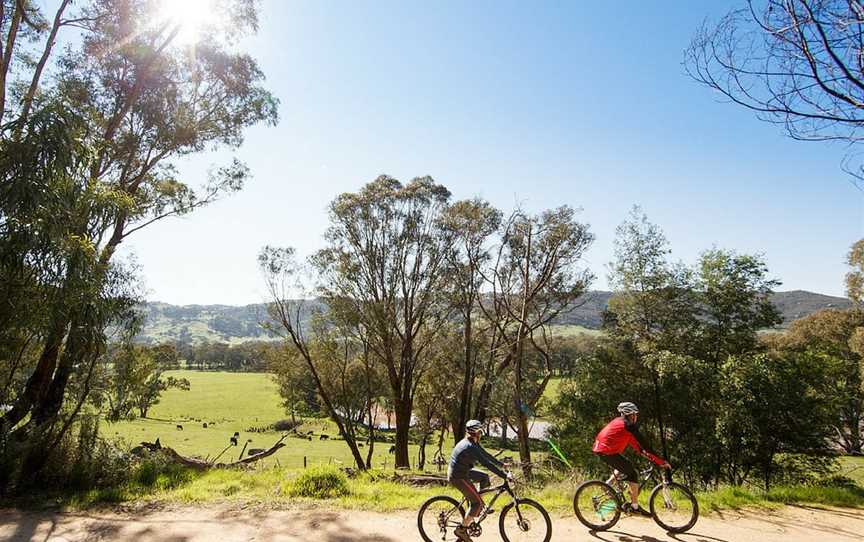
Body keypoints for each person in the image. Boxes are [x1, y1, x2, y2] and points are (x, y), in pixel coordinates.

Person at [592, 401, 671, 517]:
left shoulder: (622, 424)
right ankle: (634, 507)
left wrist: (652, 458)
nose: (635, 417)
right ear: (627, 415)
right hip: (606, 451)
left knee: (626, 466)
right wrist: (661, 461)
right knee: (633, 474)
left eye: (636, 414)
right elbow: (645, 446)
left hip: (604, 449)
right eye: (633, 415)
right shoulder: (628, 425)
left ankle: (608, 484)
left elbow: (639, 448)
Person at [448, 419, 513, 541]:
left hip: (464, 471)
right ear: (476, 432)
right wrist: (504, 476)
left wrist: (501, 465)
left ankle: (477, 506)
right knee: (477, 503)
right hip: (458, 477)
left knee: (484, 477)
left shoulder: (473, 442)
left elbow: (485, 454)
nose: (481, 433)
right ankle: (461, 529)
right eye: (480, 431)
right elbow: (486, 463)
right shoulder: (470, 446)